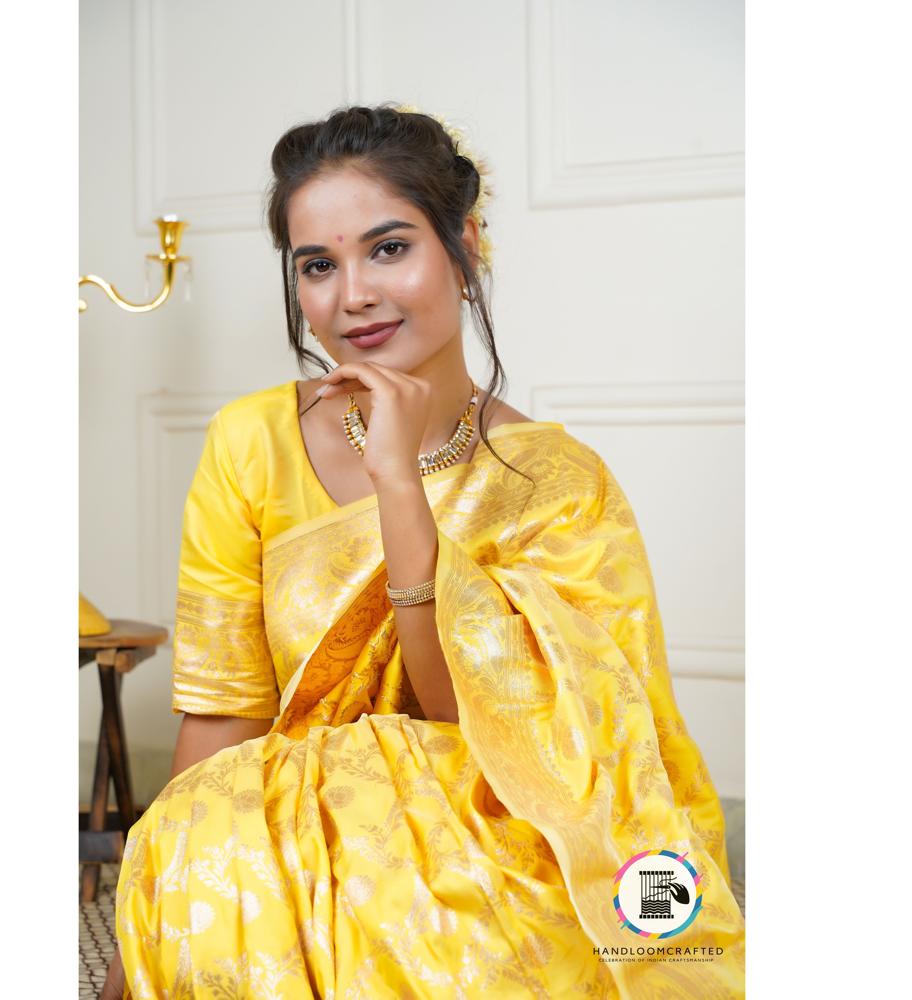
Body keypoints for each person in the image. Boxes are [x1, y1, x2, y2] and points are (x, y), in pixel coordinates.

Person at [101, 103, 745, 999]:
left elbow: (485, 726)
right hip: (289, 838)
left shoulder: (560, 485)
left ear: (465, 244)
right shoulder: (251, 440)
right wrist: (162, 903)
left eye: (389, 247)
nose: (352, 293)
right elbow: (225, 715)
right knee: (203, 866)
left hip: (494, 846)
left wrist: (399, 485)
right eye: (317, 266)